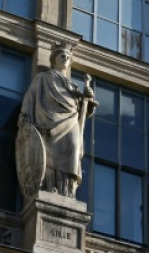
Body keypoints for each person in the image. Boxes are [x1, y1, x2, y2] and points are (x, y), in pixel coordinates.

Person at [18, 43, 97, 198]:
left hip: (71, 122)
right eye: (62, 55)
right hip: (48, 121)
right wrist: (24, 114)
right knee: (49, 155)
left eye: (68, 56)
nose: (65, 58)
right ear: (54, 59)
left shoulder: (73, 86)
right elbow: (31, 96)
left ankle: (67, 190)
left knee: (73, 148)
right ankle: (50, 187)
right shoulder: (43, 78)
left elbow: (83, 109)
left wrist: (87, 98)